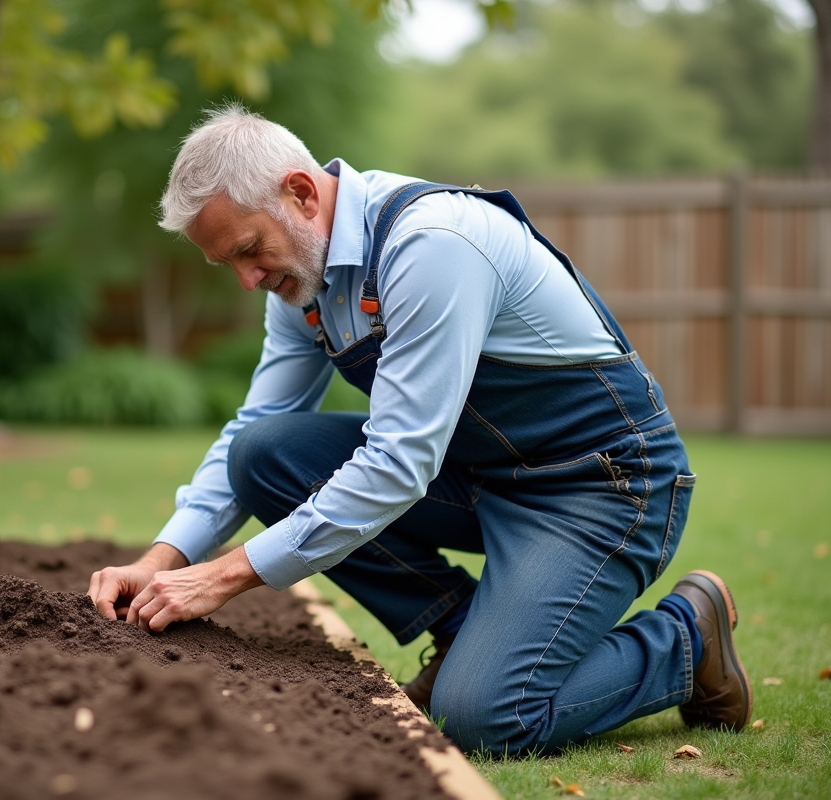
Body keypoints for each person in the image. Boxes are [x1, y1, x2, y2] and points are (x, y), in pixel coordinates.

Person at [87, 104, 752, 755]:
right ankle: (463, 630)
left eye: (248, 251)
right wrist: (162, 560)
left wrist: (225, 575)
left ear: (300, 192)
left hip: (600, 489)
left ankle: (688, 639)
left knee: (486, 719)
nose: (247, 280)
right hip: (482, 475)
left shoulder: (430, 246)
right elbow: (257, 425)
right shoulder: (301, 280)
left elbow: (400, 462)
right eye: (226, 265)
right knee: (263, 456)